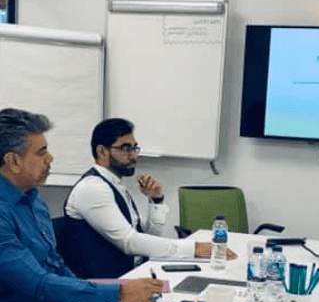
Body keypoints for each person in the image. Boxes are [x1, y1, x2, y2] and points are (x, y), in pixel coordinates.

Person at [0, 108, 164, 302]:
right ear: (14, 161)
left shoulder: (34, 199)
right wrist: (118, 294)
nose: (50, 158)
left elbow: (56, 265)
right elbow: (37, 284)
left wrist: (92, 298)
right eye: (41, 152)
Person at [62, 118, 236, 278]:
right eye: (125, 148)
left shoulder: (114, 185)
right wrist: (194, 248)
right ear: (102, 151)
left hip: (134, 272)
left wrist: (156, 201)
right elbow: (129, 242)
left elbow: (148, 234)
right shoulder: (93, 188)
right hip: (106, 284)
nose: (134, 156)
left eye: (135, 148)